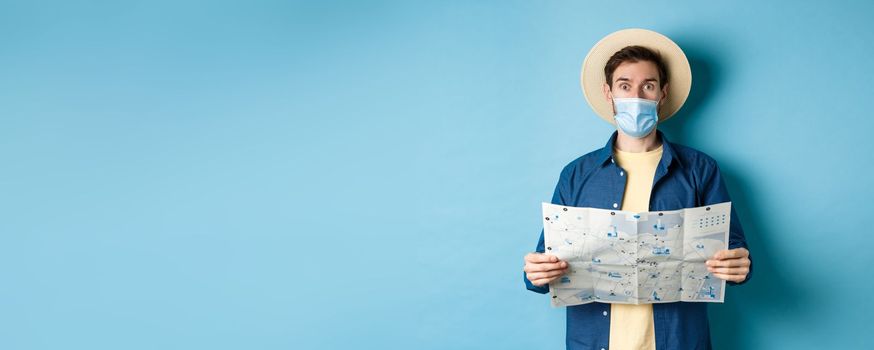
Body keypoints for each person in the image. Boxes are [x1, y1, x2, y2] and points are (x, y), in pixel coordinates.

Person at [522, 28, 753, 350]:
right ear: (609, 93)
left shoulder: (701, 169)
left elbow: (735, 251)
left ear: (663, 93)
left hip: (678, 340)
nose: (636, 97)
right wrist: (536, 271)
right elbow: (543, 265)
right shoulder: (577, 174)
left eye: (648, 85)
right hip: (594, 341)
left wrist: (740, 264)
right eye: (625, 86)